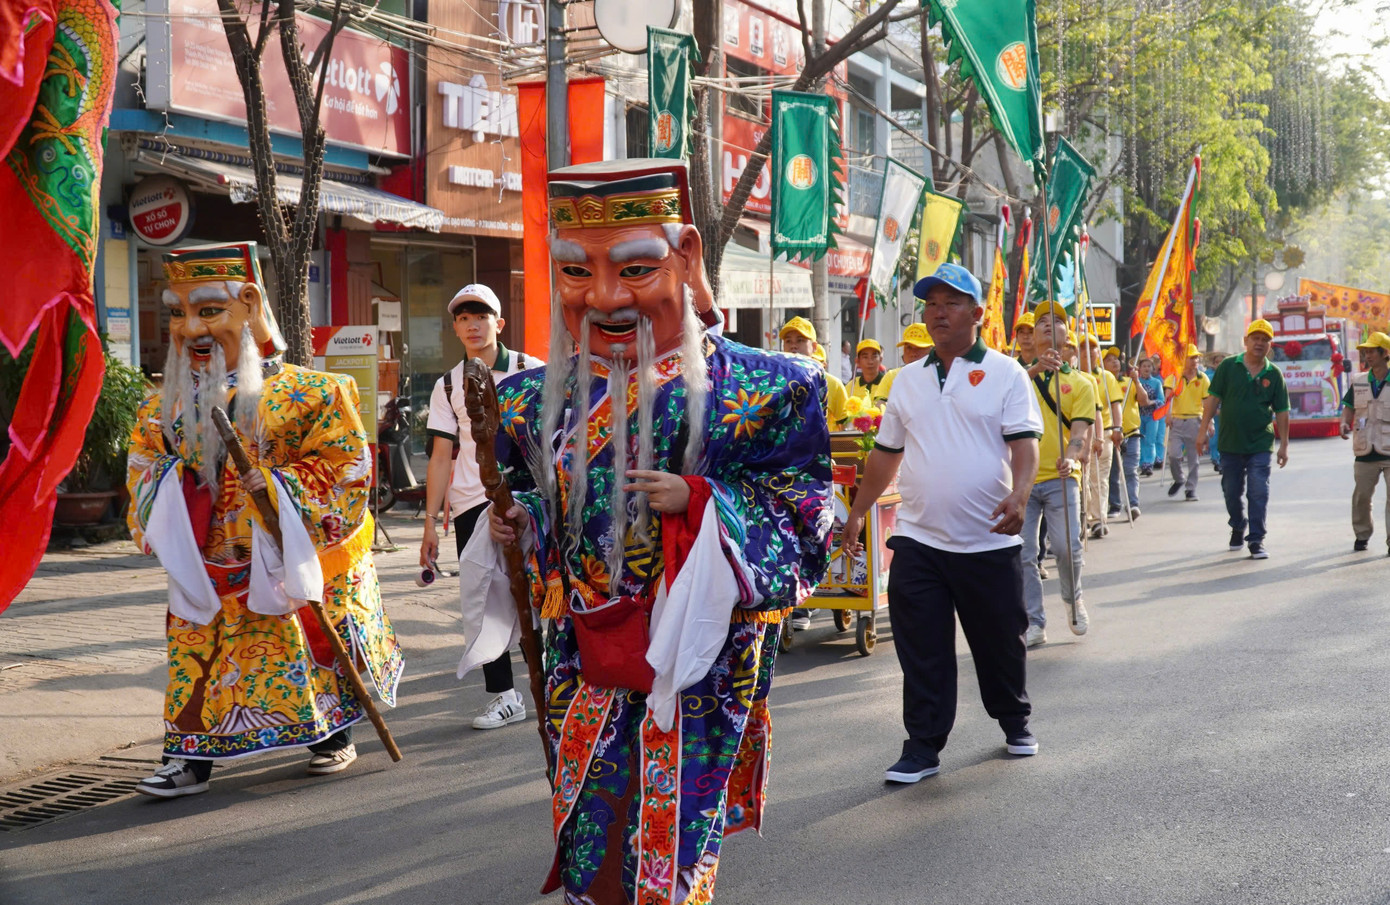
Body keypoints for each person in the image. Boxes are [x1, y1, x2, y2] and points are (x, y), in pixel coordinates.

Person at [463, 159, 832, 904]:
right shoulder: (529, 401)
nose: (602, 297)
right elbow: (545, 494)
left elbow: (805, 512)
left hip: (693, 661)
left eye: (634, 269)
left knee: (671, 841)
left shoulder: (767, 389)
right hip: (584, 654)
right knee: (591, 828)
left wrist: (699, 501)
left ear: (686, 256)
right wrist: (523, 519)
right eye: (576, 271)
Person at [126, 243, 403, 798]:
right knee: (197, 661)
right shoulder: (162, 407)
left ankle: (331, 738)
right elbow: (141, 469)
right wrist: (172, 485)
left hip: (283, 558)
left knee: (306, 651)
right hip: (207, 564)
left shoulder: (315, 393)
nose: (188, 328)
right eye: (176, 312)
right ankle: (188, 759)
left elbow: (347, 468)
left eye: (207, 310)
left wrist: (278, 486)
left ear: (249, 304)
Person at [844, 263, 1043, 784]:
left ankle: (1014, 718)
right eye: (931, 304)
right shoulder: (906, 381)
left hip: (988, 540)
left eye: (951, 303)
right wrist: (859, 511)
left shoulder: (1006, 373)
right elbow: (886, 454)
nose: (938, 312)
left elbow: (1024, 444)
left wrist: (1020, 496)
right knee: (922, 650)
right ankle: (922, 746)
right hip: (919, 538)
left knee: (1000, 643)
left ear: (978, 314)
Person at [421, 284, 544, 730]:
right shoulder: (448, 383)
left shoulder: (533, 370)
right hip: (473, 501)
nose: (473, 325)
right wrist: (431, 523)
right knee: (483, 598)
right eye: (463, 318)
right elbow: (441, 455)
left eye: (481, 316)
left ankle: (549, 682)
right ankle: (504, 696)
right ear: (455, 328)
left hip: (529, 497)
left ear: (499, 323)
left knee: (537, 589)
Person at [1019, 302, 1095, 648]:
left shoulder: (1081, 383)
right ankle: (1034, 621)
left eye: (1057, 322)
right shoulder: (1016, 376)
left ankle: (1072, 597)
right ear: (1031, 336)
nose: (1049, 326)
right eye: (1042, 323)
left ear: (1068, 335)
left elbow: (1079, 430)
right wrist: (1034, 370)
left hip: (1061, 478)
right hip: (1020, 480)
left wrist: (1072, 455)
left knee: (1066, 548)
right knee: (1023, 554)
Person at [1199, 319, 1290, 559]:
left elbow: (1282, 411)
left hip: (1260, 443)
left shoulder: (1274, 374)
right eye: (1255, 338)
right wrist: (1202, 432)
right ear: (1246, 341)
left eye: (1264, 340)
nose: (1259, 343)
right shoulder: (1229, 367)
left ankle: (1257, 539)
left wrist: (1284, 446)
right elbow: (1213, 399)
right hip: (1230, 443)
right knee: (1231, 490)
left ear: (1270, 345)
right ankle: (1238, 524)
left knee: (1259, 490)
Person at [780, 316, 846, 632]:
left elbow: (845, 427)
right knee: (789, 535)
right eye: (789, 341)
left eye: (800, 341)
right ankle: (797, 601)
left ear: (814, 346)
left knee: (817, 535)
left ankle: (810, 599)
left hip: (820, 473)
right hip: (786, 471)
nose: (794, 346)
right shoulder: (775, 381)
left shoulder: (831, 384)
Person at [1339, 332, 1390, 552]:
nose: (1368, 355)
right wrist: (1344, 422)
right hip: (1364, 450)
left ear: (1384, 353)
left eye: (1372, 351)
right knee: (1361, 497)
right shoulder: (1359, 381)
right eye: (1366, 351)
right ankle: (1362, 534)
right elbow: (1349, 407)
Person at [1080, 334, 1122, 539]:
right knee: (1081, 480)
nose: (1088, 351)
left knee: (1099, 479)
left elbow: (1115, 404)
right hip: (1078, 435)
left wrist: (1118, 428)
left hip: (1103, 432)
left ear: (1098, 352)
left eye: (1092, 347)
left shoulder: (1107, 377)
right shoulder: (1072, 376)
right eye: (1082, 347)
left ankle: (1098, 520)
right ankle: (1082, 518)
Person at [1105, 348, 1149, 519]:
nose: (1115, 362)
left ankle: (1133, 504)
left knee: (1130, 470)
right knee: (1113, 472)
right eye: (1109, 359)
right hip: (1111, 434)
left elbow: (1144, 401)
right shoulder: (1101, 383)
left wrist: (1137, 382)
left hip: (1131, 433)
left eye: (1116, 359)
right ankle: (1115, 504)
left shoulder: (1128, 382)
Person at [1164, 344, 1209, 501]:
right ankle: (1179, 479)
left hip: (1195, 420)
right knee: (1174, 455)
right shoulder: (1174, 377)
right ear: (1183, 360)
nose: (1195, 360)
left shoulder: (1203, 378)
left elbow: (1207, 403)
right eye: (1191, 357)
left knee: (1193, 459)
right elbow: (1168, 398)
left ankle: (1191, 489)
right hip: (1176, 421)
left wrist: (1209, 424)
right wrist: (1168, 414)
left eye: (1196, 357)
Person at [848, 338, 897, 405]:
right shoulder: (851, 386)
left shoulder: (889, 384)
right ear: (857, 361)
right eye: (865, 357)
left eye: (874, 357)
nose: (870, 361)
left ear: (880, 359)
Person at [1137, 358, 1165, 475]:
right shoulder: (1135, 382)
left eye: (1149, 366)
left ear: (1152, 368)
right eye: (1144, 366)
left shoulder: (1157, 382)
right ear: (1139, 368)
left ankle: (1148, 464)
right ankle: (1142, 463)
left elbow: (1161, 400)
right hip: (1138, 415)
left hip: (1152, 416)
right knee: (1140, 440)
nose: (1146, 368)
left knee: (1150, 440)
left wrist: (1150, 402)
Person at [1204, 351, 1225, 474]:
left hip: (1227, 411)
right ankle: (1216, 458)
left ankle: (1224, 459)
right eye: (1217, 362)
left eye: (1221, 362)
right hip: (1214, 410)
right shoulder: (1208, 376)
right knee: (1214, 435)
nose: (1219, 364)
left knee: (1225, 436)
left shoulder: (1230, 375)